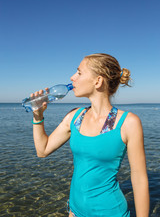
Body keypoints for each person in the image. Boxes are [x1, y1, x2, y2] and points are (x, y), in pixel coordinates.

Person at [31, 53, 149, 217]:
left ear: (98, 81)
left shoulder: (128, 122)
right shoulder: (75, 117)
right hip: (75, 211)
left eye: (79, 72)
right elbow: (42, 150)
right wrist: (38, 117)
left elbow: (139, 177)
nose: (72, 78)